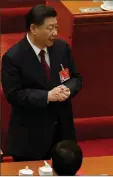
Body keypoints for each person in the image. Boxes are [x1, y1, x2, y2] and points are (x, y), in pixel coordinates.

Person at [1, 4, 82, 161]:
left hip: (62, 134)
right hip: (30, 140)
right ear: (33, 28)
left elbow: (76, 78)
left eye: (56, 27)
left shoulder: (62, 48)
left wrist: (68, 89)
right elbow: (14, 94)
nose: (55, 33)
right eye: (50, 28)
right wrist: (47, 96)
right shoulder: (13, 57)